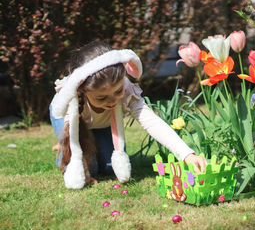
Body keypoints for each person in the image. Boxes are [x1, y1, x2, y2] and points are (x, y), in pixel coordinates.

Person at [49, 41, 207, 189]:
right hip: (71, 124)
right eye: (102, 97)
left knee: (111, 168)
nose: (112, 101)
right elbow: (71, 132)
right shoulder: (71, 99)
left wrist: (187, 155)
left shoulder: (127, 91)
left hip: (103, 125)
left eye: (118, 91)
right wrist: (81, 165)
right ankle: (63, 149)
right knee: (90, 170)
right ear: (83, 90)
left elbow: (152, 122)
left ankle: (95, 140)